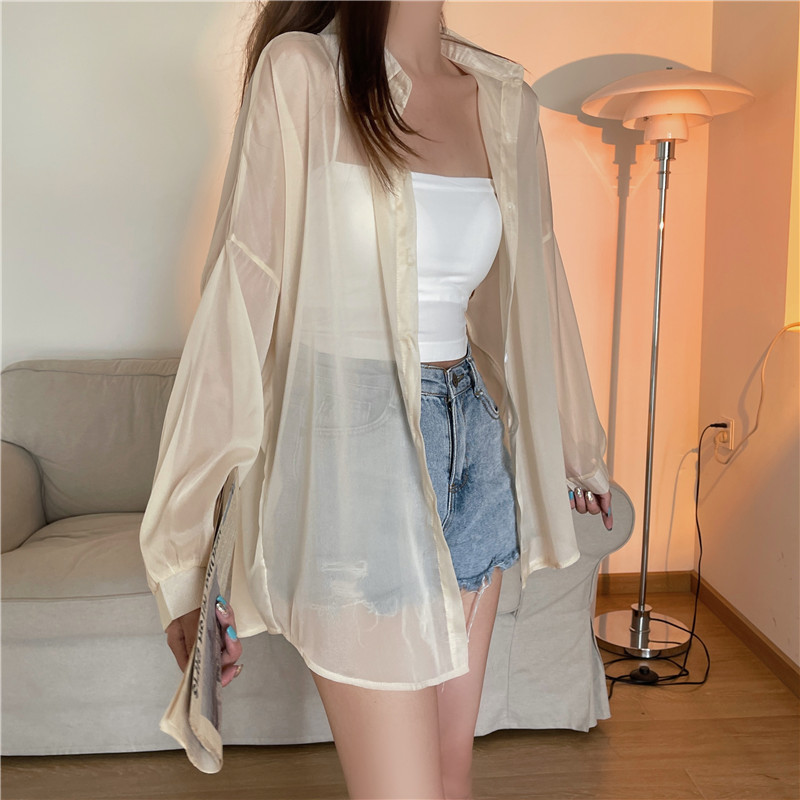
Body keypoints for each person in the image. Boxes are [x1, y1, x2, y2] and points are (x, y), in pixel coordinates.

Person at [139, 2, 613, 797]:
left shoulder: (504, 99)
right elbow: (240, 302)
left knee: (450, 778)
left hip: (473, 449)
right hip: (351, 466)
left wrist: (574, 449)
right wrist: (182, 555)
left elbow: (537, 283)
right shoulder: (302, 74)